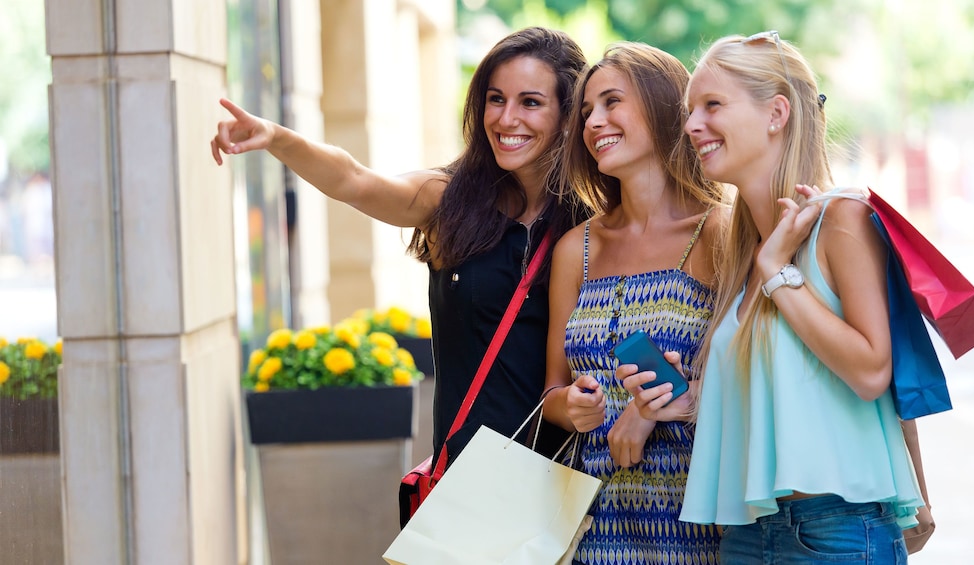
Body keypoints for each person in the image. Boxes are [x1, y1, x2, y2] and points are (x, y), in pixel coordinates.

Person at [211, 27, 591, 467]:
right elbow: (355, 180)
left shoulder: (589, 226)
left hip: (562, 479)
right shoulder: (450, 199)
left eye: (530, 102)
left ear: (567, 117)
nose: (506, 119)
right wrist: (277, 138)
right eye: (495, 98)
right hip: (464, 478)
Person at [623, 31, 924, 564]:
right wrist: (684, 398)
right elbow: (796, 388)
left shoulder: (842, 221)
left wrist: (778, 273)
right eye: (691, 110)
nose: (692, 125)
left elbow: (875, 370)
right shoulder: (744, 248)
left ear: (776, 113)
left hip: (837, 531)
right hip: (748, 534)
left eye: (712, 105)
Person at [540, 42, 726, 565]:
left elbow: (750, 375)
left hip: (697, 521)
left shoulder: (718, 230)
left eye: (611, 102)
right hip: (593, 526)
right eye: (586, 112)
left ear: (663, 105)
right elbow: (551, 393)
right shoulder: (576, 248)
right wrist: (572, 407)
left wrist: (653, 411)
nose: (594, 122)